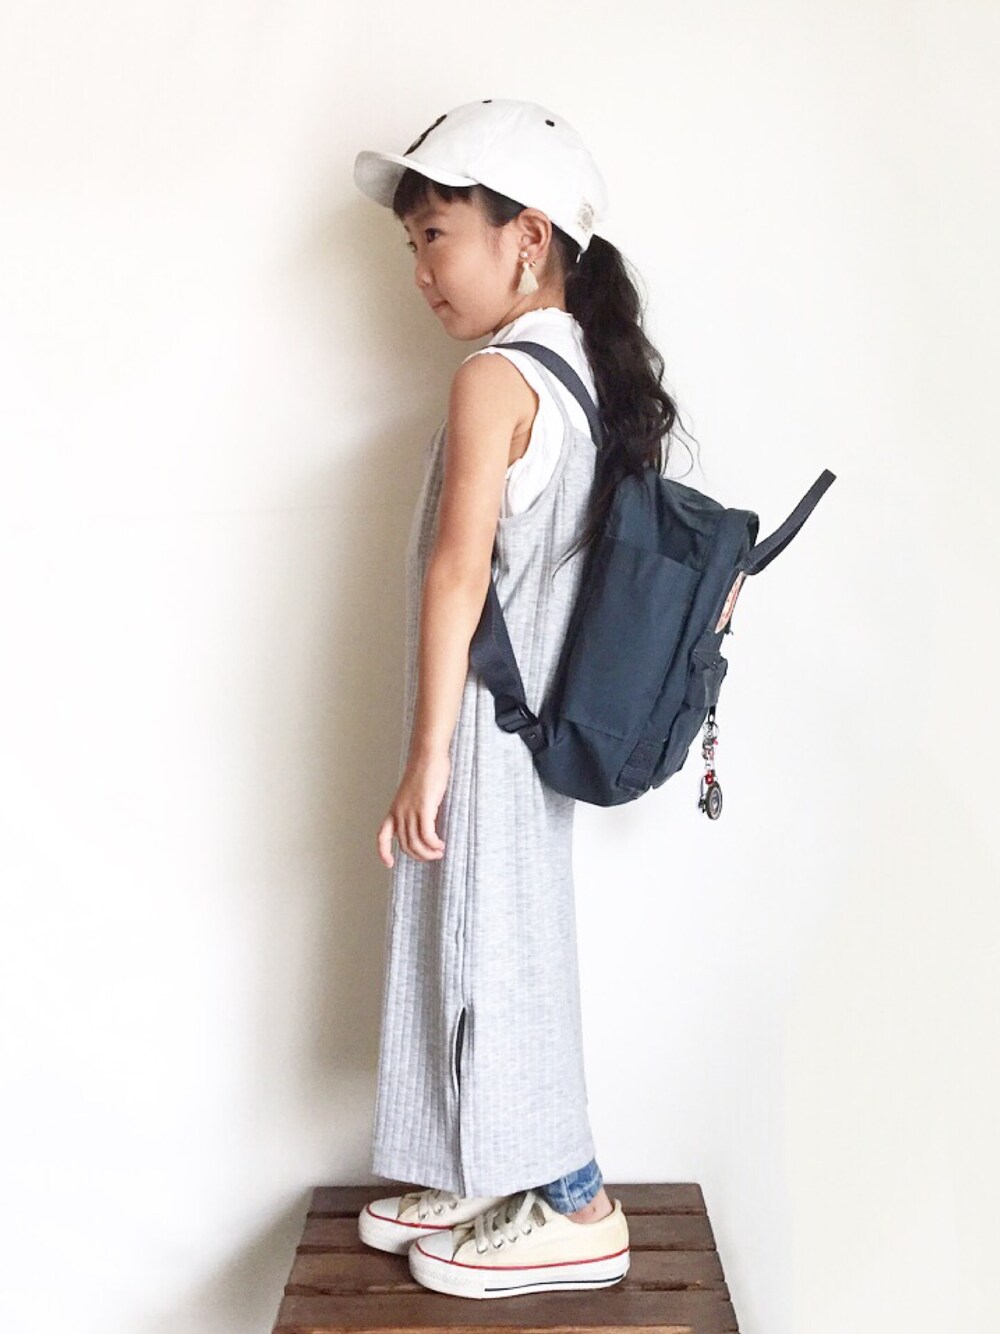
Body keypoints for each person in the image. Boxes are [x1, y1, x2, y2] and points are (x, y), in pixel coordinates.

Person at [351, 98, 691, 1300]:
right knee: (476, 938)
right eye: (412, 242)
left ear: (528, 236)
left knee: (490, 950)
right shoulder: (582, 367)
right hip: (526, 722)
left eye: (436, 234)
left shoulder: (494, 378)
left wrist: (425, 752)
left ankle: (576, 1200)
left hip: (484, 727)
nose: (420, 267)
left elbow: (460, 573)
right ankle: (482, 1166)